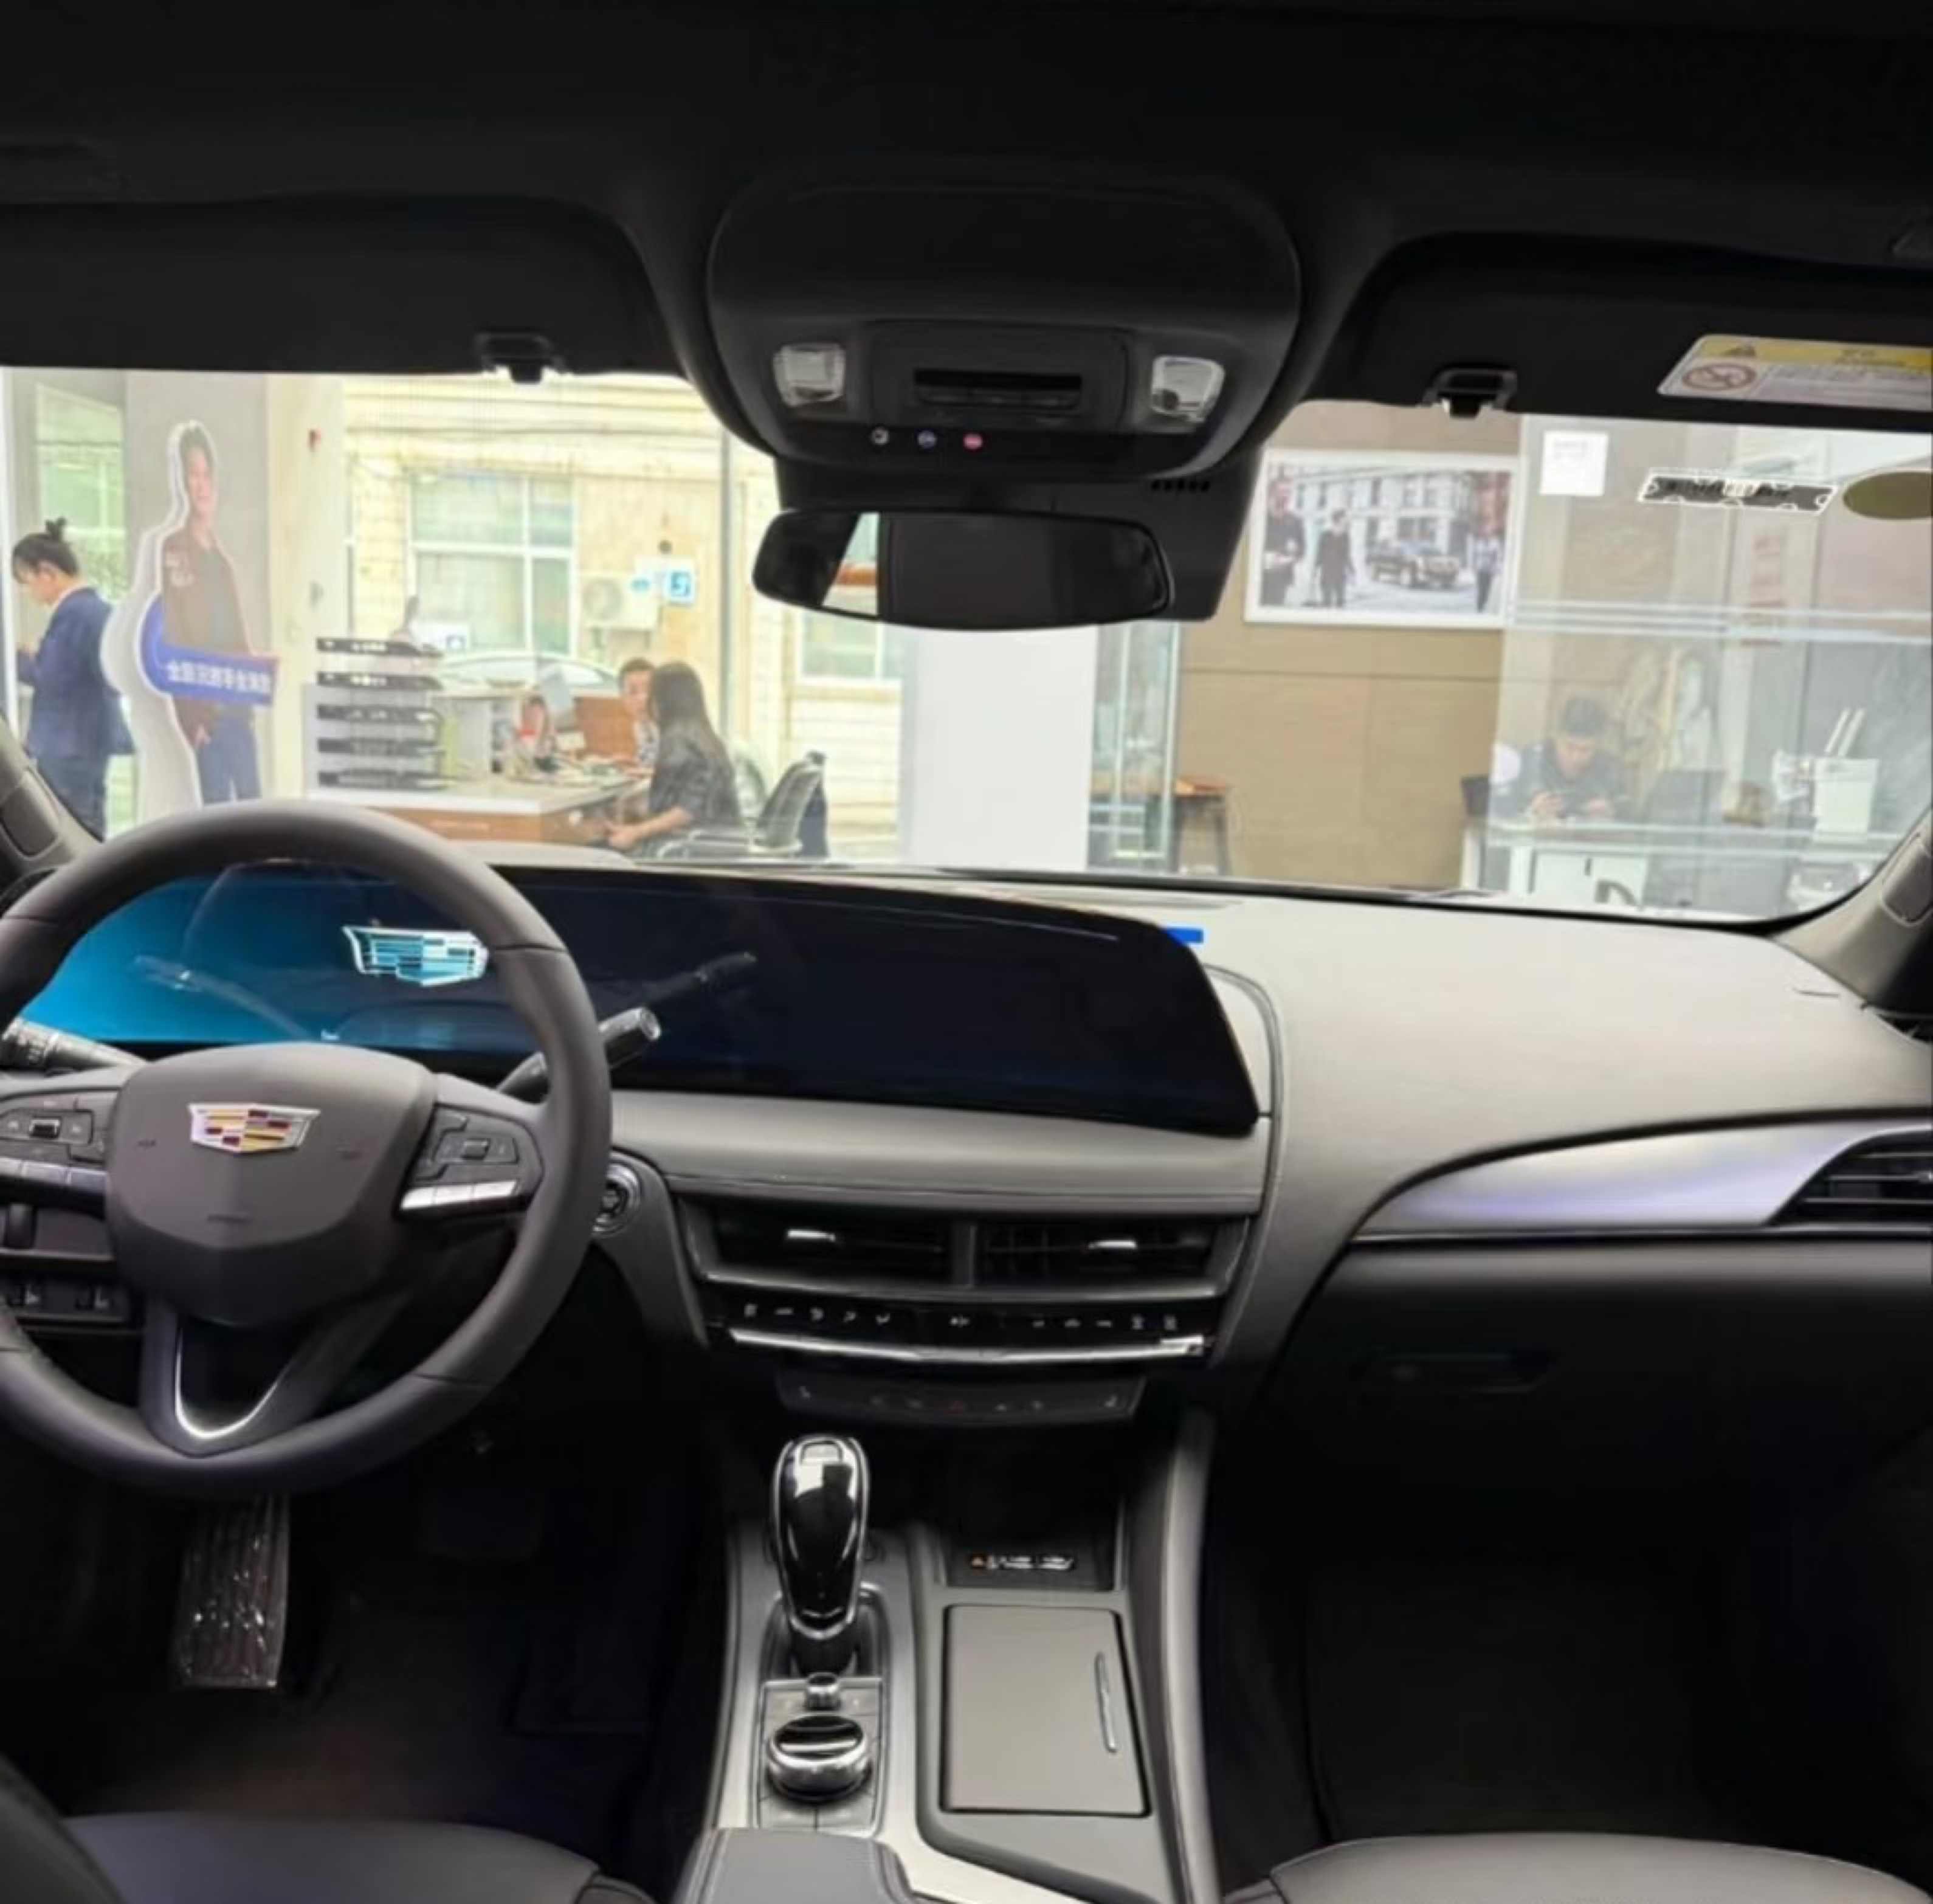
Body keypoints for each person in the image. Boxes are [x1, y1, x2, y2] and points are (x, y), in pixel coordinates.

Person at [160, 424, 260, 804]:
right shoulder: (175, 551)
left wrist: (249, 701)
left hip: (237, 709)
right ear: (182, 483)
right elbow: (175, 637)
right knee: (217, 812)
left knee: (254, 806)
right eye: (193, 475)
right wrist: (192, 719)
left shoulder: (222, 561)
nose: (201, 485)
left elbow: (237, 637)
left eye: (207, 475)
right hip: (207, 715)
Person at [10, 520, 125, 836]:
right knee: (88, 827)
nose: (28, 593)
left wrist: (15, 657)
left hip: (68, 746)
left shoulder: (76, 613)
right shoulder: (95, 610)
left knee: (72, 833)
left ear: (47, 573)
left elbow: (50, 676)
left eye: (27, 582)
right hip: (85, 743)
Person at [603, 660, 741, 854]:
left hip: (695, 848)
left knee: (601, 852)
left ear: (664, 699)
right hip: (718, 843)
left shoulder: (678, 737)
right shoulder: (698, 732)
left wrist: (635, 832)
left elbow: (688, 810)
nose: (645, 700)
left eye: (651, 692)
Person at [1497, 694, 1628, 823]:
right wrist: (1531, 812)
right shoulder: (1534, 759)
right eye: (1569, 747)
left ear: (1598, 745)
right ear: (1556, 738)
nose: (1576, 757)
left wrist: (1612, 812)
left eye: (1586, 750)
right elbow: (1505, 810)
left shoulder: (1609, 767)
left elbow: (1627, 813)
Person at [1258, 480, 1306, 607]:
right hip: (1259, 576)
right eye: (1282, 491)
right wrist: (1265, 559)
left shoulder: (1296, 521)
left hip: (1282, 578)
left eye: (1289, 492)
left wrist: (1288, 560)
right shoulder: (1260, 517)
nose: (1286, 496)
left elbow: (1302, 551)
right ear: (1272, 493)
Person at [618, 655, 657, 767]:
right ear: (623, 698)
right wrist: (630, 761)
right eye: (633, 692)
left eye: (649, 690)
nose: (643, 698)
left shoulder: (669, 727)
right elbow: (648, 762)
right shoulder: (639, 725)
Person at [1313, 509, 1353, 609]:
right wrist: (1316, 570)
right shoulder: (1326, 534)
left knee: (1341, 601)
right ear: (1339, 520)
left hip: (1340, 572)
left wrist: (1351, 570)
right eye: (1345, 518)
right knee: (1327, 601)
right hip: (1327, 571)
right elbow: (1320, 554)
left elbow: (1347, 554)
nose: (1347, 520)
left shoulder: (1346, 536)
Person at [1470, 530, 1502, 615]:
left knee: (1487, 589)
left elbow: (1497, 557)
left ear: (1490, 537)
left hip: (1489, 570)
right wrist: (1473, 567)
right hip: (1480, 569)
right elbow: (1474, 556)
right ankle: (1479, 606)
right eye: (1484, 535)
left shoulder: (1494, 545)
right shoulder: (1478, 544)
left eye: (1488, 535)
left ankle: (1484, 602)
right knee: (1481, 588)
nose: (1486, 537)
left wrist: (1497, 568)